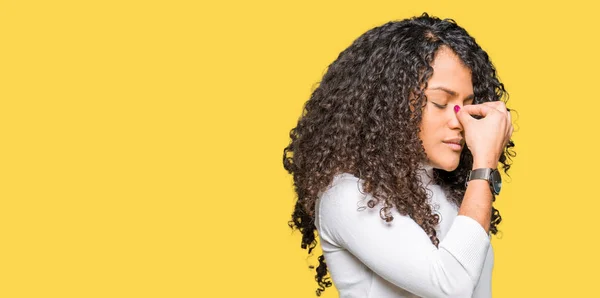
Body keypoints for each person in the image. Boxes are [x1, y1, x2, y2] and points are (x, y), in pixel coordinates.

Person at [283, 13, 516, 298]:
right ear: (390, 104)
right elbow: (451, 287)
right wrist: (484, 165)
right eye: (441, 103)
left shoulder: (452, 190)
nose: (460, 120)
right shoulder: (347, 194)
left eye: (467, 105)